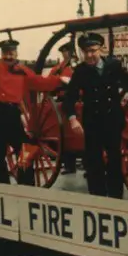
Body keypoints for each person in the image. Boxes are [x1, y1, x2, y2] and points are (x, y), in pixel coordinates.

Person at [0, 37, 67, 184]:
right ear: (2, 54)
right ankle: (3, 186)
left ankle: (26, 184)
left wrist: (60, 80)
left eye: (12, 53)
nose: (9, 56)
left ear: (16, 54)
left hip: (13, 114)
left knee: (26, 150)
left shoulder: (23, 72)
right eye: (6, 53)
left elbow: (40, 82)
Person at [62, 32, 128, 199]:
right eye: (86, 52)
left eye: (93, 50)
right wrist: (72, 119)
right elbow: (69, 98)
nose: (90, 55)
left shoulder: (114, 65)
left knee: (114, 161)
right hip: (92, 123)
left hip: (113, 121)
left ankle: (116, 199)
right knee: (94, 163)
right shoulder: (80, 71)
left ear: (101, 50)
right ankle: (98, 200)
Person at [49, 41, 78, 174]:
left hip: (76, 98)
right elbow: (49, 80)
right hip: (62, 99)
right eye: (64, 52)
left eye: (68, 51)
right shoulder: (58, 68)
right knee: (64, 134)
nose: (66, 54)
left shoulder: (75, 66)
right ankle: (68, 165)